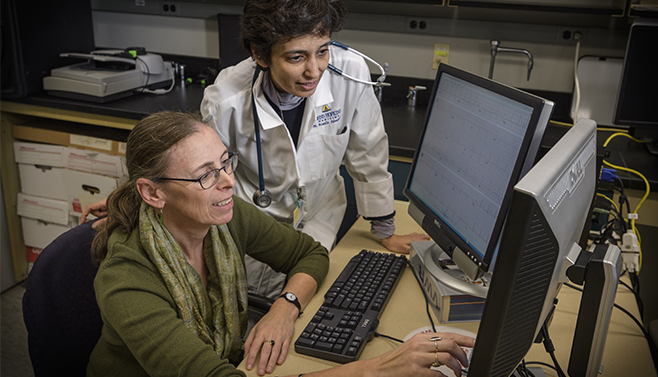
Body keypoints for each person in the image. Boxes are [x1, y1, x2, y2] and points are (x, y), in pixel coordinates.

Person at [81, 0, 429, 304]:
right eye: (296, 57)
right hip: (256, 225)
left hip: (323, 214)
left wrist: (385, 228)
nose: (315, 70)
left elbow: (368, 150)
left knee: (311, 305)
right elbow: (193, 170)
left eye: (322, 50)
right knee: (253, 314)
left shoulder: (349, 72)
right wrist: (129, 203)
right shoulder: (227, 100)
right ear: (260, 54)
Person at [86, 110, 474, 377]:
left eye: (225, 163)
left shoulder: (226, 217)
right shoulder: (126, 279)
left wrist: (284, 308)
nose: (227, 182)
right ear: (153, 194)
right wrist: (380, 367)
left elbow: (309, 253)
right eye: (206, 175)